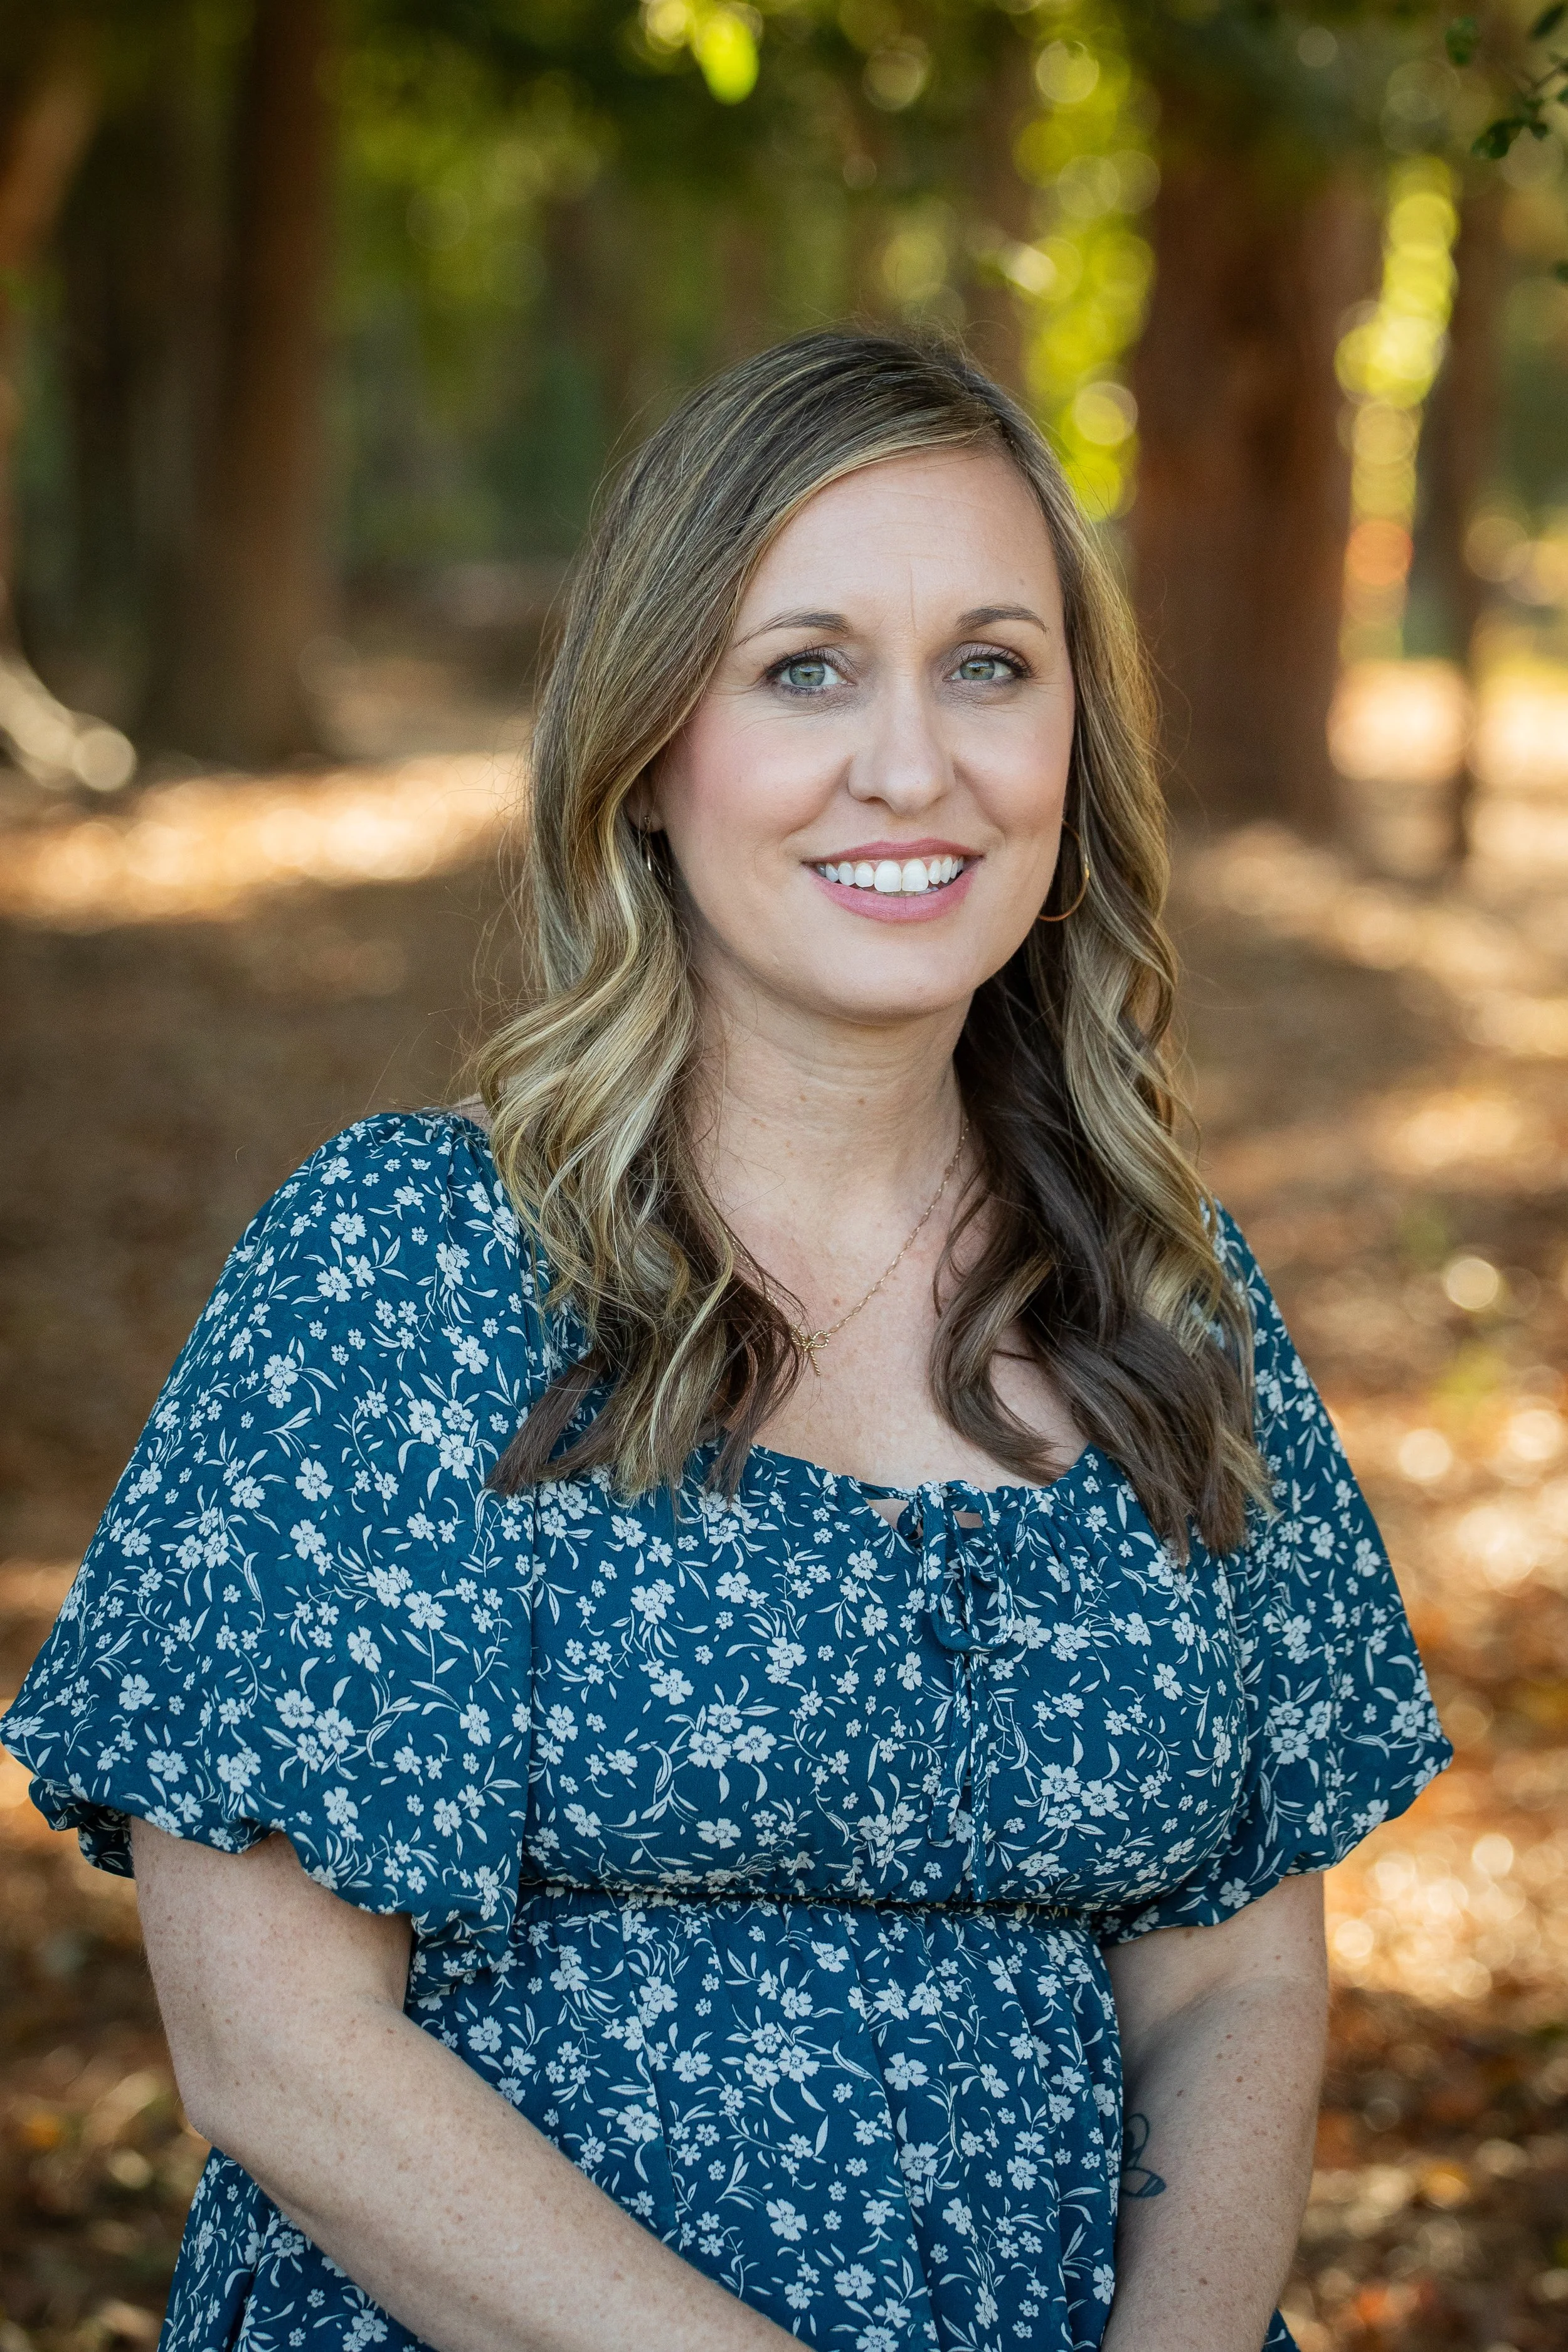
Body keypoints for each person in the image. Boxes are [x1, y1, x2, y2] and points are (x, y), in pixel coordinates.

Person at [1, 331, 1448, 2352]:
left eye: (990, 664)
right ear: (651, 750)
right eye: (805, 667)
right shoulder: (406, 1265)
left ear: (1072, 745)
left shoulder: (1165, 1287)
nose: (912, 763)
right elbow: (280, 2050)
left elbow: (1229, 1975)